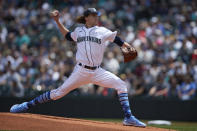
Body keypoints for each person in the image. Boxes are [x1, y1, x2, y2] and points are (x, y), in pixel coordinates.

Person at [10, 8, 146, 127]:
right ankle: (26, 105)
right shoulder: (78, 30)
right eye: (93, 15)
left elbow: (118, 40)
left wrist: (126, 46)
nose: (96, 17)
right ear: (87, 18)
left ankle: (128, 117)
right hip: (81, 71)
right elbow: (68, 36)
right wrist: (57, 21)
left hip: (97, 71)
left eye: (96, 15)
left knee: (121, 84)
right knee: (58, 93)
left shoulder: (102, 31)